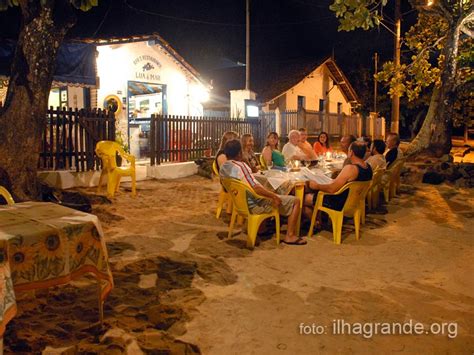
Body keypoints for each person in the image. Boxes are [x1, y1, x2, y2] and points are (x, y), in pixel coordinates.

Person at [220, 140, 306, 245]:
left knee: (268, 189)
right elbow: (256, 188)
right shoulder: (241, 166)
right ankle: (290, 235)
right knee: (295, 201)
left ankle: (261, 229)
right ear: (239, 153)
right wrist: (274, 196)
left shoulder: (223, 168)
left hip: (239, 203)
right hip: (254, 204)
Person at [303, 141, 373, 218]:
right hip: (354, 202)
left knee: (303, 198)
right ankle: (318, 220)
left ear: (351, 152)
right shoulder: (368, 167)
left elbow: (332, 189)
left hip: (339, 203)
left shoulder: (351, 169)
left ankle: (314, 221)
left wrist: (317, 186)